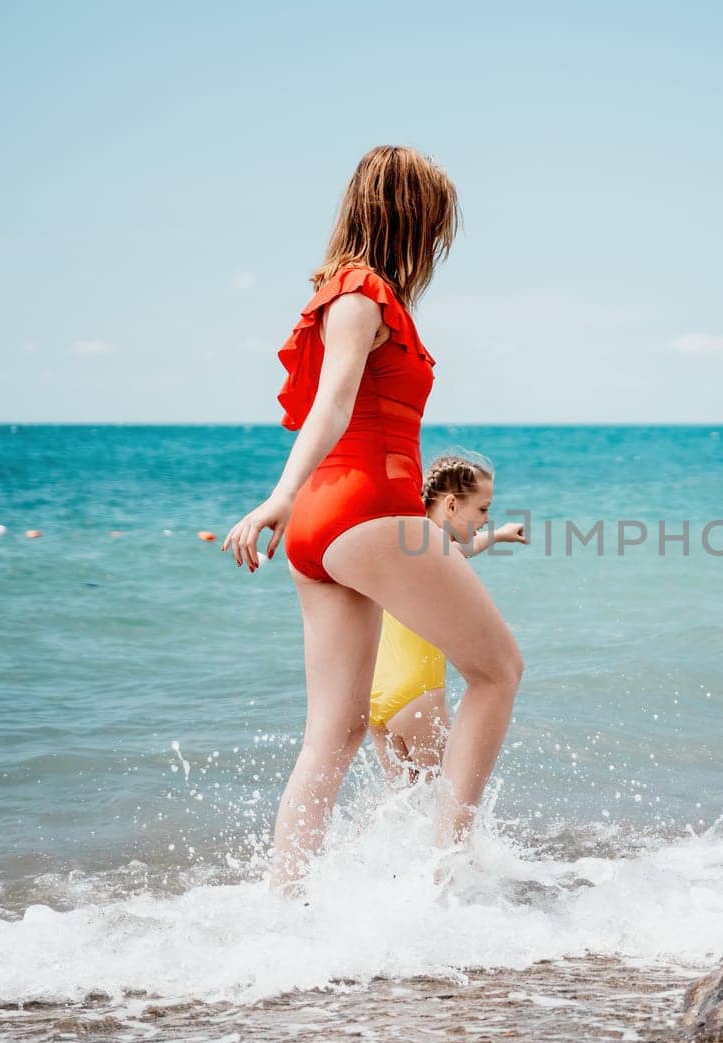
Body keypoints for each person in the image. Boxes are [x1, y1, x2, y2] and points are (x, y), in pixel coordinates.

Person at [220, 146, 523, 889]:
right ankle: (445, 878)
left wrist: (295, 507)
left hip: (324, 527)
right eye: (432, 226)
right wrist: (279, 495)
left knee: (337, 729)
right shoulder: (361, 293)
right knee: (499, 672)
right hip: (365, 508)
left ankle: (281, 900)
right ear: (406, 219)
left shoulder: (345, 293)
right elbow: (332, 401)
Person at [369, 452, 527, 787]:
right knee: (444, 801)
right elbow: (456, 552)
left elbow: (461, 550)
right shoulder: (434, 546)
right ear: (452, 505)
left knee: (401, 803)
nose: (486, 518)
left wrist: (499, 534)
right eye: (483, 509)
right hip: (417, 691)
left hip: (379, 696)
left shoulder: (409, 541)